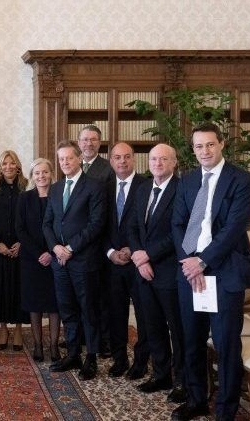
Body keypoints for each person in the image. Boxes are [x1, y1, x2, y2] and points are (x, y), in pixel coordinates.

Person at [171, 123, 250, 421]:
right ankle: (196, 400)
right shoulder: (187, 181)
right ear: (193, 150)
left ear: (222, 144)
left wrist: (203, 261)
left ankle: (225, 410)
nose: (204, 151)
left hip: (225, 271)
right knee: (191, 341)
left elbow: (233, 229)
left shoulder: (241, 180)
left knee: (226, 345)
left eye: (210, 144)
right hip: (190, 272)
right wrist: (189, 261)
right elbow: (178, 224)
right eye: (199, 146)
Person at [43, 140, 107, 381]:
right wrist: (56, 248)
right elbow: (47, 224)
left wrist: (70, 248)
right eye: (61, 159)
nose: (65, 162)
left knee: (88, 309)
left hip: (84, 260)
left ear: (79, 158)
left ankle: (91, 357)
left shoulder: (95, 186)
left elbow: (96, 224)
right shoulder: (56, 188)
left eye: (69, 158)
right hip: (60, 261)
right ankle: (73, 354)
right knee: (67, 309)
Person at [128, 144, 186, 404]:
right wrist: (139, 258)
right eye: (153, 159)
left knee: (177, 329)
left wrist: (147, 255)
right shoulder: (142, 189)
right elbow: (132, 227)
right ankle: (161, 374)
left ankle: (182, 381)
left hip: (169, 270)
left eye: (164, 159)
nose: (158, 163)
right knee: (152, 326)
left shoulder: (181, 189)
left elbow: (177, 232)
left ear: (174, 163)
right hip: (144, 270)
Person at [104, 142, 151, 380]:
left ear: (133, 159)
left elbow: (151, 224)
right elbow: (98, 225)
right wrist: (111, 251)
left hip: (139, 261)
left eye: (126, 157)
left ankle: (141, 362)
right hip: (112, 263)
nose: (122, 161)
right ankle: (119, 358)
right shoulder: (104, 187)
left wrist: (133, 249)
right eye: (117, 157)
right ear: (111, 161)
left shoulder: (147, 185)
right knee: (116, 313)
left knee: (143, 314)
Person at [15, 158, 60, 362]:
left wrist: (51, 252)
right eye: (37, 173)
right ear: (32, 177)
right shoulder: (24, 198)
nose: (41, 176)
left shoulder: (59, 196)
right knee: (34, 304)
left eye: (45, 172)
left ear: (51, 174)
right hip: (31, 260)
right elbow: (20, 229)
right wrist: (38, 253)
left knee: (54, 304)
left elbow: (63, 227)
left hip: (55, 257)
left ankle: (54, 346)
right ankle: (38, 345)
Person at [0, 150, 30, 351]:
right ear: (0, 167)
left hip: (21, 249)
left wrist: (22, 243)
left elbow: (31, 219)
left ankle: (18, 329)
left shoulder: (27, 188)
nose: (8, 167)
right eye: (4, 164)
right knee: (0, 289)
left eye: (12, 163)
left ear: (18, 166)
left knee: (20, 289)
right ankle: (3, 329)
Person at [77, 124, 114, 358]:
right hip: (76, 241)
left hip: (99, 240)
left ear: (99, 143)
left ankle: (104, 341)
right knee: (81, 294)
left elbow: (108, 209)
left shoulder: (107, 169)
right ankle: (82, 336)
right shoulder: (73, 166)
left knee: (100, 296)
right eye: (85, 140)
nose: (88, 143)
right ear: (78, 143)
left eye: (93, 140)